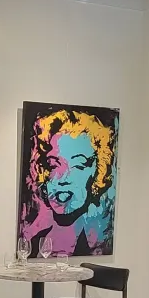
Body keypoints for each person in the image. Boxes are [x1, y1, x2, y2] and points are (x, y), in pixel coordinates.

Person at [19, 108, 117, 256]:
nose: (63, 178)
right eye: (53, 165)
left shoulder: (99, 245)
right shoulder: (35, 243)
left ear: (98, 172)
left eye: (78, 166)